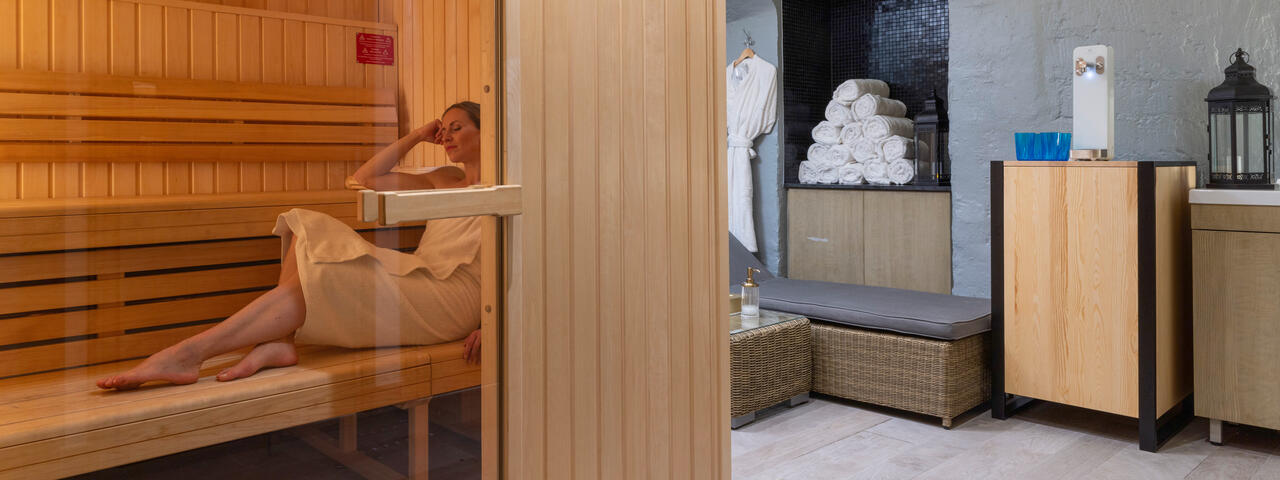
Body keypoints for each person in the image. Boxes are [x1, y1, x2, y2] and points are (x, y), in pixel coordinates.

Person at [97, 102, 486, 390]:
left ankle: (188, 354)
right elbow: (365, 179)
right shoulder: (444, 179)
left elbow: (518, 259)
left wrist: (494, 322)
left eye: (457, 128)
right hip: (423, 273)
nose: (447, 136)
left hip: (454, 298)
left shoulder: (505, 187)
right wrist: (417, 134)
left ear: (487, 132)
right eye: (444, 129)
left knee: (322, 278)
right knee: (305, 224)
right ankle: (279, 342)